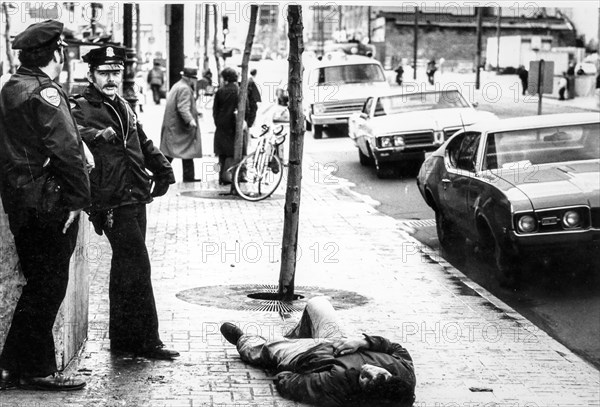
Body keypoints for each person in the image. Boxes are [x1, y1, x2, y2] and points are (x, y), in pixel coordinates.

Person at [71, 45, 179, 361]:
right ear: (90, 75)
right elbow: (72, 133)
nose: (110, 78)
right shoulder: (80, 105)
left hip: (134, 194)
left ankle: (122, 339)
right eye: (104, 73)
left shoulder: (122, 105)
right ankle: (148, 340)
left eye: (115, 72)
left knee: (125, 268)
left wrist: (162, 167)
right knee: (138, 265)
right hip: (111, 200)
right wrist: (95, 134)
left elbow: (141, 140)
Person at [0, 20, 91, 391]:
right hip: (45, 203)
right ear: (56, 53)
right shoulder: (45, 93)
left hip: (19, 201)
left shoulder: (11, 88)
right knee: (49, 284)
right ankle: (33, 369)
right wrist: (79, 199)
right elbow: (66, 151)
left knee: (39, 282)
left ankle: (14, 364)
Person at [220, 297, 416, 407]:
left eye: (365, 378)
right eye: (378, 372)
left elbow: (289, 383)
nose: (367, 369)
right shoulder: (405, 371)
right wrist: (364, 341)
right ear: (391, 374)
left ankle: (244, 341)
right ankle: (295, 333)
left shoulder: (336, 387)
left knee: (265, 349)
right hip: (340, 339)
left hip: (304, 353)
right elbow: (395, 348)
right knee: (318, 303)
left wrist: (287, 367)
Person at [160, 67, 203, 182]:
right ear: (190, 79)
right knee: (175, 152)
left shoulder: (178, 85)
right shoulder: (185, 88)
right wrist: (191, 120)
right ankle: (161, 174)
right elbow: (183, 107)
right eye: (194, 79)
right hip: (178, 128)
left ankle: (188, 176)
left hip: (174, 126)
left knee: (177, 151)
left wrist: (196, 112)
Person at [213, 67, 240, 185]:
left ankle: (220, 177)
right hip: (234, 125)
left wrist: (218, 122)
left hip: (221, 125)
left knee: (221, 154)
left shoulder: (220, 91)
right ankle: (229, 177)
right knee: (232, 153)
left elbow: (215, 110)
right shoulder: (239, 91)